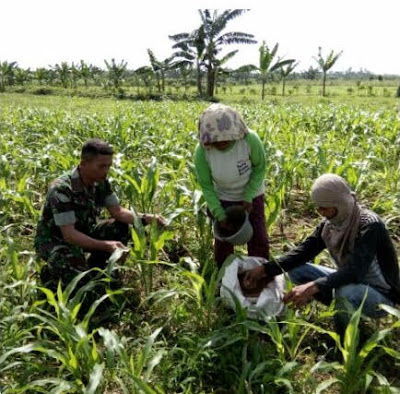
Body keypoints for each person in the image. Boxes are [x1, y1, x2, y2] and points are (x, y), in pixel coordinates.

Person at [243, 173, 400, 337]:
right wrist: (265, 269)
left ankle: (348, 344)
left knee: (345, 294)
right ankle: (291, 319)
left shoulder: (369, 226)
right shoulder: (329, 225)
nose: (320, 212)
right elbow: (303, 252)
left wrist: (312, 287)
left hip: (380, 296)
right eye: (317, 207)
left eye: (324, 207)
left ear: (339, 203)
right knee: (297, 270)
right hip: (350, 282)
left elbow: (355, 271)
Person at [35, 138, 165, 292]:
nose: (106, 171)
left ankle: (97, 268)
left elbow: (118, 212)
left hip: (84, 232)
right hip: (56, 241)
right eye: (101, 166)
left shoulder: (100, 181)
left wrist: (147, 218)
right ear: (84, 164)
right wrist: (107, 246)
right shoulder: (62, 189)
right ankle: (51, 275)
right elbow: (69, 235)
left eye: (108, 166)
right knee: (80, 284)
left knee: (120, 226)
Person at [194, 103, 269, 267]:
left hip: (253, 194)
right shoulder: (202, 152)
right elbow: (206, 186)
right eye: (216, 139)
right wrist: (219, 214)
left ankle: (260, 272)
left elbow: (260, 168)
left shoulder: (249, 140)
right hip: (223, 197)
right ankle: (223, 276)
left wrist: (249, 195)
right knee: (223, 242)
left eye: (226, 137)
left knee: (258, 237)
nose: (221, 141)